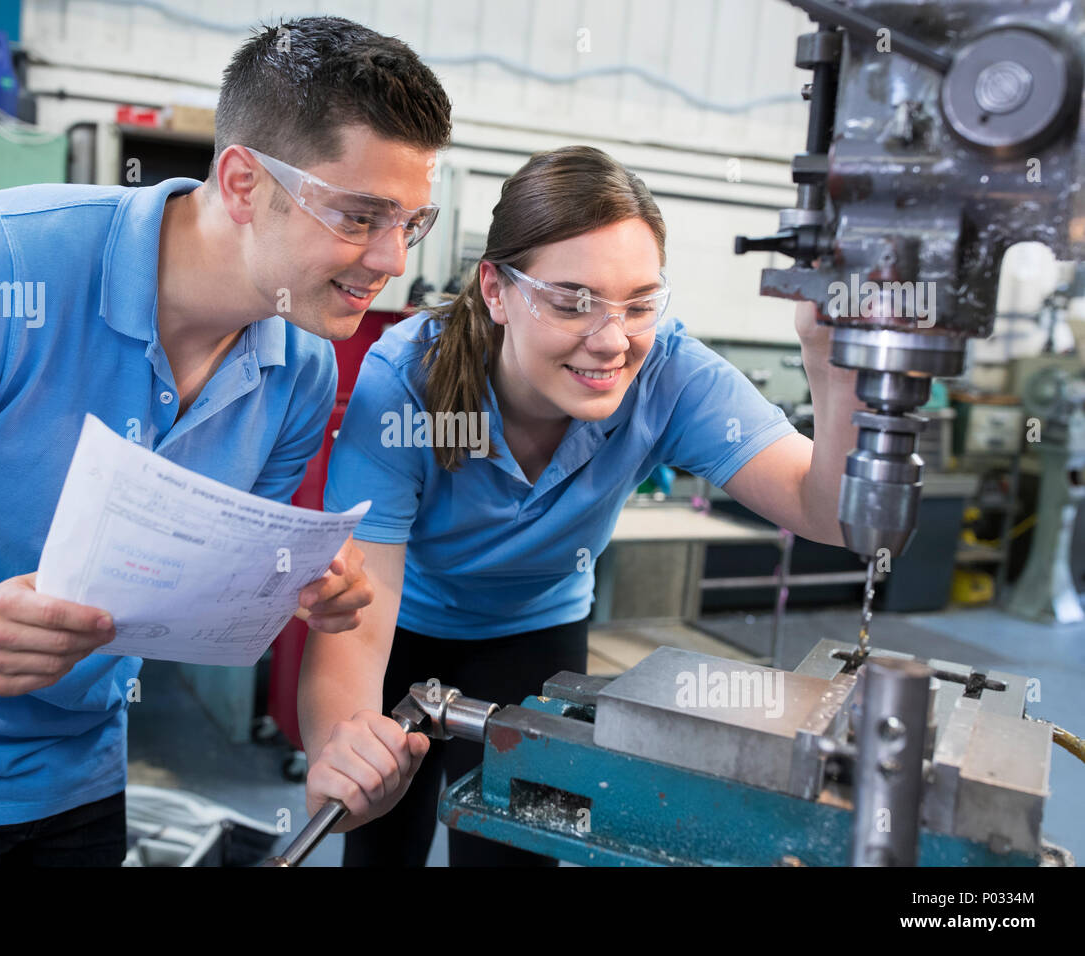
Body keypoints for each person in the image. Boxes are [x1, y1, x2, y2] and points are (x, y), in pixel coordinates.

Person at [0, 15, 450, 866]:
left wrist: (291, 581)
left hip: (80, 782)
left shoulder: (299, 371)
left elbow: (194, 571)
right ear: (244, 183)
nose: (390, 258)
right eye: (360, 217)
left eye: (411, 223)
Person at [299, 145, 862, 866]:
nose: (611, 340)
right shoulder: (406, 383)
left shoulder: (671, 377)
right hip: (406, 628)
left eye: (639, 303)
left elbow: (829, 514)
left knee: (514, 851)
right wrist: (340, 748)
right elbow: (358, 608)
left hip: (538, 630)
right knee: (379, 839)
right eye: (572, 301)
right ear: (496, 291)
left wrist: (832, 366)